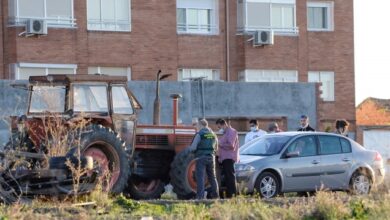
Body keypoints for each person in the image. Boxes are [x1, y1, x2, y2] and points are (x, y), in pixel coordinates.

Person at [188, 119, 219, 199]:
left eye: (198, 125)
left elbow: (193, 148)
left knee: (200, 177)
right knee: (213, 177)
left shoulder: (199, 134)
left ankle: (200, 197)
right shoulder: (213, 134)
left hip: (201, 157)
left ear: (201, 125)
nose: (197, 126)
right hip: (211, 157)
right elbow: (216, 147)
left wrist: (189, 150)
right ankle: (216, 196)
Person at [216, 118, 239, 198]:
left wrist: (220, 144)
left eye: (219, 127)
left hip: (229, 157)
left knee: (230, 176)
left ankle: (233, 195)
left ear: (223, 124)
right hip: (225, 158)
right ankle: (229, 195)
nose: (219, 129)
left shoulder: (232, 132)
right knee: (227, 177)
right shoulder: (226, 133)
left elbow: (231, 145)